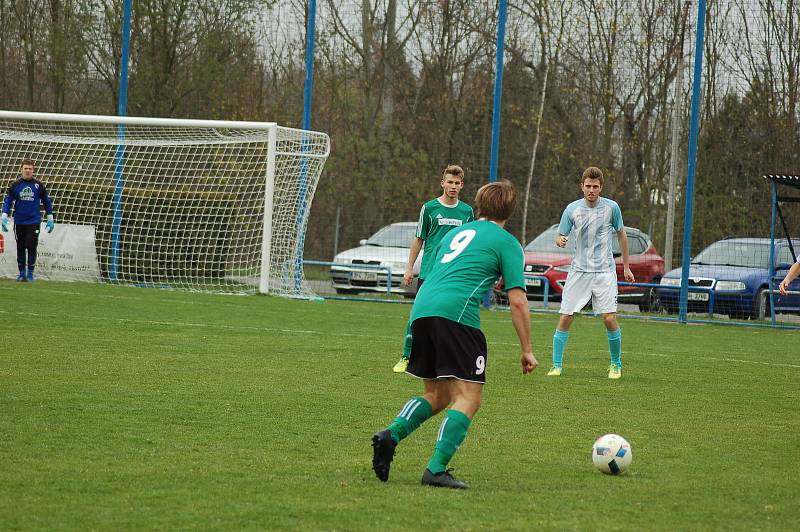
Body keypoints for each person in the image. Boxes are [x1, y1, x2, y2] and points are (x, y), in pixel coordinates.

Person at [372, 180, 537, 490]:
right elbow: (518, 300)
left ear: (479, 205)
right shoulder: (507, 242)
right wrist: (527, 349)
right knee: (469, 398)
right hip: (456, 315)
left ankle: (389, 435)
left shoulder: (455, 234)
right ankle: (436, 469)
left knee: (438, 395)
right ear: (510, 211)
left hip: (421, 309)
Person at [546, 166, 634, 380]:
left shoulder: (612, 208)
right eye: (588, 186)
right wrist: (560, 240)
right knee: (566, 316)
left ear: (601, 187)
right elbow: (560, 235)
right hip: (579, 271)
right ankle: (556, 365)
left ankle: (616, 365)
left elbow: (622, 235)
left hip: (605, 271)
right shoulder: (572, 209)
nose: (591, 190)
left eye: (595, 186)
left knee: (609, 318)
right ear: (582, 186)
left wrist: (626, 266)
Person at [392, 165, 475, 373]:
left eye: (457, 183)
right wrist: (409, 268)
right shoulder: (429, 208)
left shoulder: (467, 212)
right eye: (450, 182)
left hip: (454, 275)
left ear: (462, 185)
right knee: (418, 314)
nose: (453, 186)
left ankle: (450, 359)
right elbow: (419, 239)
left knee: (452, 317)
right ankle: (406, 356)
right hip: (430, 273)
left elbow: (470, 243)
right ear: (443, 183)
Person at [1, 159, 55, 282]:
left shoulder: (38, 185)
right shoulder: (15, 185)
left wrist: (50, 217)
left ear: (33, 170)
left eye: (30, 168)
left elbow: (46, 201)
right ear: (21, 169)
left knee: (31, 246)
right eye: (25, 168)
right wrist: (4, 215)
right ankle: (21, 274)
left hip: (33, 221)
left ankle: (30, 274)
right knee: (20, 247)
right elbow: (8, 200)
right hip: (19, 221)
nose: (28, 170)